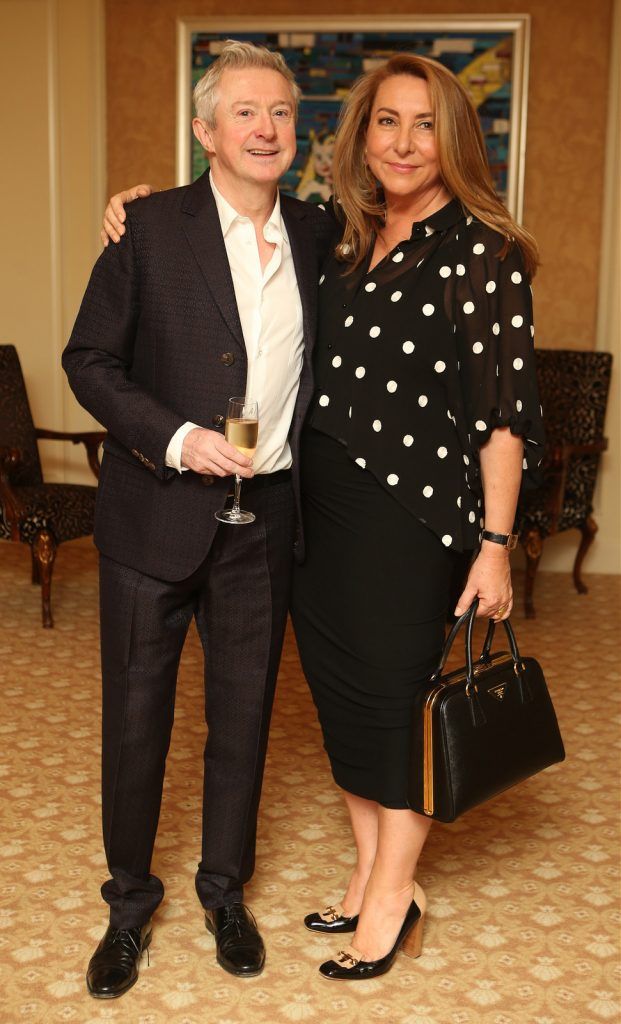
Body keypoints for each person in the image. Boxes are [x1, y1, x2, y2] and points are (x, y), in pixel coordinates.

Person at [103, 52, 544, 982]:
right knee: (317, 709)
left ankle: (346, 897)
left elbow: (502, 415)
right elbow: (126, 328)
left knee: (346, 712)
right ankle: (316, 882)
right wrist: (142, 213)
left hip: (378, 521)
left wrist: (495, 546)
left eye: (425, 124)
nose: (404, 141)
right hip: (288, 520)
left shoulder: (432, 245)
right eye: (386, 121)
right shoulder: (336, 234)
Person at [63, 40, 334, 999]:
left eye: (281, 114)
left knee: (243, 719)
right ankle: (128, 905)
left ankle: (225, 892)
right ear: (205, 131)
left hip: (263, 522)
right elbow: (89, 360)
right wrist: (176, 437)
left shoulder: (318, 232)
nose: (267, 130)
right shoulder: (145, 226)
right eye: (246, 113)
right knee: (137, 725)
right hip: (153, 516)